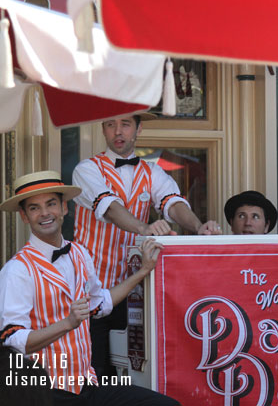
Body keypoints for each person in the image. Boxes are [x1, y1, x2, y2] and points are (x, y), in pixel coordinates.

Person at [0, 170, 178, 405]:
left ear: (64, 208)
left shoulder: (79, 253)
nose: (44, 213)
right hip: (45, 393)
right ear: (24, 216)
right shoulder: (17, 270)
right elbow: (12, 340)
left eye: (51, 204)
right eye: (34, 208)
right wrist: (67, 324)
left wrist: (143, 271)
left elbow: (99, 304)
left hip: (88, 384)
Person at [72, 113, 221, 378]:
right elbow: (110, 208)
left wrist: (198, 228)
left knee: (135, 373)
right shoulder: (86, 170)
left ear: (138, 129)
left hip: (135, 293)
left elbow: (173, 204)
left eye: (125, 124)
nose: (118, 131)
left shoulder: (152, 172)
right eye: (110, 124)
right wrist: (144, 228)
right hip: (90, 290)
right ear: (103, 130)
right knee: (94, 374)